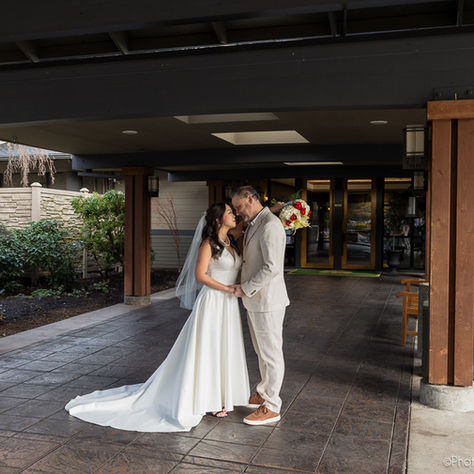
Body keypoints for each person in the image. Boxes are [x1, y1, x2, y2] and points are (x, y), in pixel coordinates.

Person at [65, 203, 250, 432]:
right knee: (209, 348)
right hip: (214, 301)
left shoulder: (230, 242)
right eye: (230, 212)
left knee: (225, 347)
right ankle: (208, 398)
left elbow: (250, 224)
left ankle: (223, 394)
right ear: (218, 219)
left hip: (228, 303)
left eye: (233, 211)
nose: (235, 215)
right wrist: (226, 288)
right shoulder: (208, 244)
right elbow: (200, 275)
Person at [231, 186, 290, 426]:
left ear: (251, 199)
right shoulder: (257, 222)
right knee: (261, 352)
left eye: (239, 206)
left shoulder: (270, 225)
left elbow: (272, 267)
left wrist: (245, 288)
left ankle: (273, 405)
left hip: (267, 301)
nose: (237, 212)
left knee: (271, 354)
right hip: (256, 301)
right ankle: (263, 392)